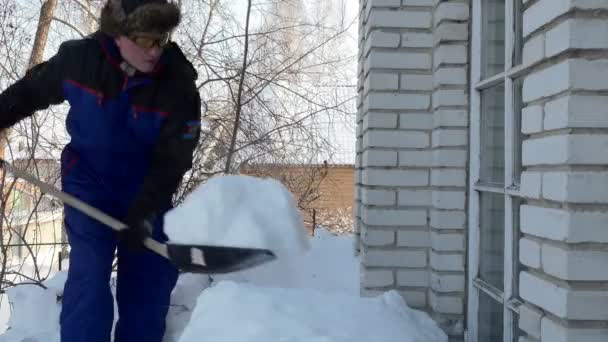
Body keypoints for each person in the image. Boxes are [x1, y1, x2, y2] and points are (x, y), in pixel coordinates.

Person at [0, 0, 201, 340]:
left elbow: (175, 157)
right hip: (89, 184)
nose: (155, 51)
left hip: (148, 188)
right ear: (118, 35)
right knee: (90, 275)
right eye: (145, 40)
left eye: (161, 39)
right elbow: (28, 92)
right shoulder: (80, 61)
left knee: (148, 282)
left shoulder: (177, 84)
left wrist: (146, 210)